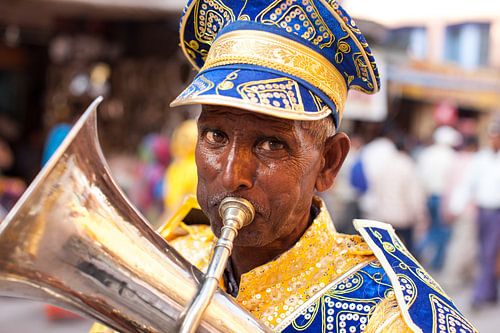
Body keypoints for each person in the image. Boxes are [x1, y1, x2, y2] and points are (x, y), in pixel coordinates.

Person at [91, 0, 475, 332]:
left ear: (329, 162)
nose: (230, 176)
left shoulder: (391, 315)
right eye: (215, 136)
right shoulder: (170, 255)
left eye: (272, 144)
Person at [449, 118, 500, 309]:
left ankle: (479, 295)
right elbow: (468, 184)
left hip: (497, 213)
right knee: (484, 252)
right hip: (483, 212)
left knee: (489, 252)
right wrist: (456, 207)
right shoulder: (481, 159)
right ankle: (491, 292)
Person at [416, 126, 462, 270]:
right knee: (442, 231)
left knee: (430, 228)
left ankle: (416, 252)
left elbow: (420, 177)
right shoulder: (452, 157)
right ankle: (436, 263)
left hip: (428, 196)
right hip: (443, 199)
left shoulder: (426, 154)